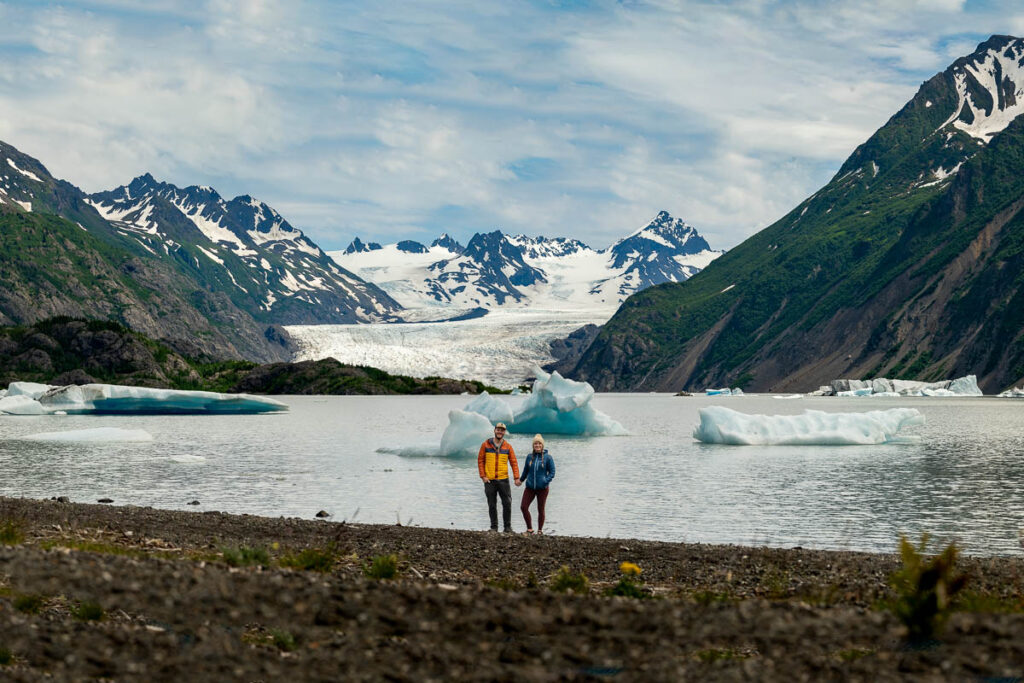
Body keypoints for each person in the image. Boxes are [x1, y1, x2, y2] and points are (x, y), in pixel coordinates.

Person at [477, 422, 520, 532]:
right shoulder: (485, 445)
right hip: (489, 480)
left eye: (502, 430)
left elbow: (513, 462)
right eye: (498, 429)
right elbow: (480, 460)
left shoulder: (508, 446)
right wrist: (483, 476)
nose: (500, 432)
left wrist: (516, 477)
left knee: (507, 503)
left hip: (503, 480)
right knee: (492, 504)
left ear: (504, 432)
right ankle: (494, 527)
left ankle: (507, 527)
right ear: (494, 430)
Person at [519, 434, 555, 534]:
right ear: (533, 445)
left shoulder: (548, 458)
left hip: (542, 488)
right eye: (535, 443)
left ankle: (540, 530)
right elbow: (526, 471)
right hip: (530, 487)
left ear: (542, 445)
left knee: (541, 509)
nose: (537, 445)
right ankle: (530, 529)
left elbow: (552, 472)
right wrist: (520, 480)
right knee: (523, 507)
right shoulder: (529, 457)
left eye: (539, 443)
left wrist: (545, 481)